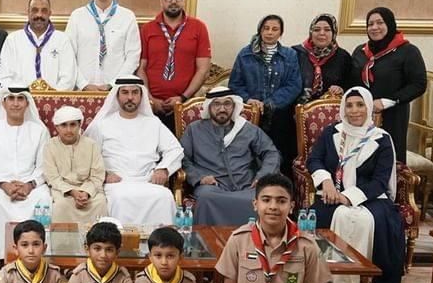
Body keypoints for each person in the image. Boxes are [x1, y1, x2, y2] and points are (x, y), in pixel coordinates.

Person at [307, 87, 405, 283]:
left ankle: (366, 278)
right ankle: (326, 276)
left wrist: (348, 197)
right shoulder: (331, 132)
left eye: (360, 105)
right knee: (327, 215)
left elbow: (380, 181)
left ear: (369, 107)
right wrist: (326, 181)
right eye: (349, 105)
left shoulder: (381, 139)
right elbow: (314, 160)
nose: (354, 110)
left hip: (370, 196)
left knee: (369, 220)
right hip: (332, 191)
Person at [85, 76, 183, 226]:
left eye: (135, 92)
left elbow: (175, 149)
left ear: (141, 95)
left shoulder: (153, 123)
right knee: (121, 198)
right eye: (125, 92)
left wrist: (163, 169)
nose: (130, 97)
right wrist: (103, 174)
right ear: (117, 96)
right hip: (116, 182)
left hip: (148, 180)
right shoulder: (102, 124)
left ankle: (160, 241)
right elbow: (87, 155)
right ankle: (123, 240)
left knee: (164, 196)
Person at [180, 86, 280, 226]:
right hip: (212, 187)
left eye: (227, 104)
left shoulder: (247, 129)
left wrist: (263, 176)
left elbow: (271, 153)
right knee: (206, 197)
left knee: (262, 197)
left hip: (246, 185)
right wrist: (199, 178)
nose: (222, 109)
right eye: (216, 104)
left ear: (234, 106)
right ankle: (206, 239)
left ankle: (253, 239)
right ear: (209, 107)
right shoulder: (194, 130)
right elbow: (183, 159)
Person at [0, 86, 52, 262]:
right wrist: (4, 185)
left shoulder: (39, 131)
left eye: (20, 98)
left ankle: (42, 255)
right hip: (0, 185)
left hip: (31, 185)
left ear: (27, 103)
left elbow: (44, 167)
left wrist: (29, 185)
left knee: (44, 199)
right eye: (11, 98)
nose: (16, 103)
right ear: (3, 103)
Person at [229, 14, 302, 176]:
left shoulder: (290, 55)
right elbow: (235, 84)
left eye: (275, 29)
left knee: (278, 155)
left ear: (281, 33)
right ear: (260, 30)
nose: (270, 32)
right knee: (249, 156)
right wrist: (249, 100)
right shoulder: (245, 54)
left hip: (279, 115)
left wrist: (270, 103)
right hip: (250, 114)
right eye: (266, 28)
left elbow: (294, 85)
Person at [351, 7, 427, 161]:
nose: (374, 27)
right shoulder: (360, 51)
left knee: (388, 160)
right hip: (361, 115)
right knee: (360, 160)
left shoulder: (408, 51)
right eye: (370, 24)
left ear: (390, 24)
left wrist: (387, 101)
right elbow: (352, 80)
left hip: (393, 116)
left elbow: (418, 84)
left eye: (380, 23)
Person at [138, 0, 212, 132]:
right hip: (151, 106)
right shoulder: (147, 29)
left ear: (183, 0)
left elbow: (203, 69)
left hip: (186, 105)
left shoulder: (199, 27)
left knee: (184, 145)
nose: (173, 1)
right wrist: (150, 99)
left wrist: (183, 98)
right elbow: (140, 68)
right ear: (161, 1)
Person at [65, 0, 141, 91]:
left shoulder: (128, 17)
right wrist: (83, 84)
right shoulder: (77, 16)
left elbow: (133, 57)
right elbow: (68, 55)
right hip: (83, 90)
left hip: (116, 91)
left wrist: (113, 84)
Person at [43, 105, 108, 226]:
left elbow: (97, 175)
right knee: (61, 205)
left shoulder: (91, 145)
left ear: (79, 125)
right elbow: (52, 177)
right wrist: (73, 192)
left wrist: (85, 192)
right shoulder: (49, 146)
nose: (69, 130)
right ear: (57, 127)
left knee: (100, 203)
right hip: (63, 191)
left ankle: (97, 239)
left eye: (73, 125)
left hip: (89, 189)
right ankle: (64, 239)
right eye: (64, 125)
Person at [0, 0, 77, 91]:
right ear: (28, 12)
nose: (39, 15)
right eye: (35, 10)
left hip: (55, 99)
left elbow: (68, 78)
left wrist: (52, 96)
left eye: (44, 11)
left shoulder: (62, 39)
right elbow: (5, 78)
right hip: (20, 98)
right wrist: (24, 95)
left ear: (50, 13)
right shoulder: (12, 40)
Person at [293, 13, 354, 103]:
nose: (321, 33)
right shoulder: (296, 53)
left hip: (330, 109)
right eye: (317, 30)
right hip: (296, 108)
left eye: (327, 30)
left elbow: (351, 86)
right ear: (311, 32)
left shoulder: (343, 57)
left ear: (333, 33)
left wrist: (341, 89)